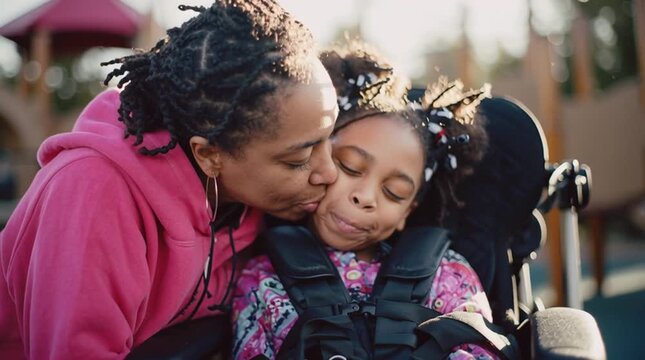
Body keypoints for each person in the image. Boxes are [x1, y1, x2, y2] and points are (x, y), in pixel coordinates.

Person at [0, 1, 339, 358]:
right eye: (299, 160)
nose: (329, 173)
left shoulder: (248, 197)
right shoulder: (94, 191)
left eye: (330, 142)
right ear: (209, 156)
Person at [231, 41, 496, 359]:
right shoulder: (263, 279)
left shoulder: (449, 275)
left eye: (393, 193)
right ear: (318, 160)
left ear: (407, 212)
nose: (365, 197)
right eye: (349, 167)